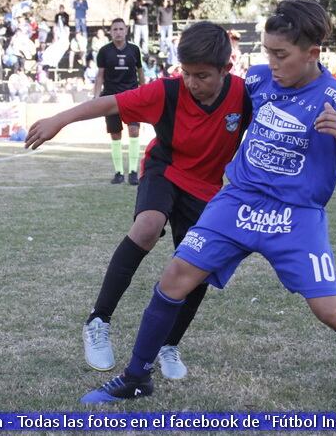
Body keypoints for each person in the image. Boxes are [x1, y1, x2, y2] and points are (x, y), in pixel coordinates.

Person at [77, 0, 336, 405]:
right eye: (267, 52)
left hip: (295, 216)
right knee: (174, 277)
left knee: (334, 314)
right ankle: (136, 376)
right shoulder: (258, 81)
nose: (270, 62)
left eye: (280, 54)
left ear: (312, 54)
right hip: (237, 200)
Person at [26, 21, 251, 379]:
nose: (192, 83)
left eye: (202, 76)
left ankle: (169, 344)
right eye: (187, 73)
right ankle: (98, 321)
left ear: (226, 69)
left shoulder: (246, 94)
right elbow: (110, 102)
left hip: (207, 187)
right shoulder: (167, 91)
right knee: (147, 226)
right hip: (166, 170)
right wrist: (60, 119)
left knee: (197, 264)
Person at [95, 18, 144, 185]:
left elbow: (140, 72)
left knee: (134, 131)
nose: (118, 32)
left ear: (126, 30)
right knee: (115, 135)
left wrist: (145, 92)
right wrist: (96, 97)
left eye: (121, 29)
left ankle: (133, 172)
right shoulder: (104, 51)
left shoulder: (134, 50)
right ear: (110, 31)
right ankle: (118, 172)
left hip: (132, 97)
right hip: (111, 98)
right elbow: (100, 75)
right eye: (115, 29)